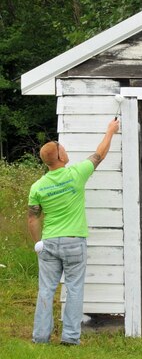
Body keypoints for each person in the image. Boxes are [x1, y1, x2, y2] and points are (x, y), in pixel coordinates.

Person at [27, 118, 120, 345]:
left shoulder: (38, 186)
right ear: (60, 157)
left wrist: (38, 242)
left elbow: (32, 218)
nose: (65, 150)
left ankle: (40, 337)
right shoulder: (76, 174)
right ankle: (70, 338)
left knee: (46, 291)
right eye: (62, 149)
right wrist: (110, 130)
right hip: (73, 242)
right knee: (75, 289)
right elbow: (100, 154)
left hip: (49, 243)